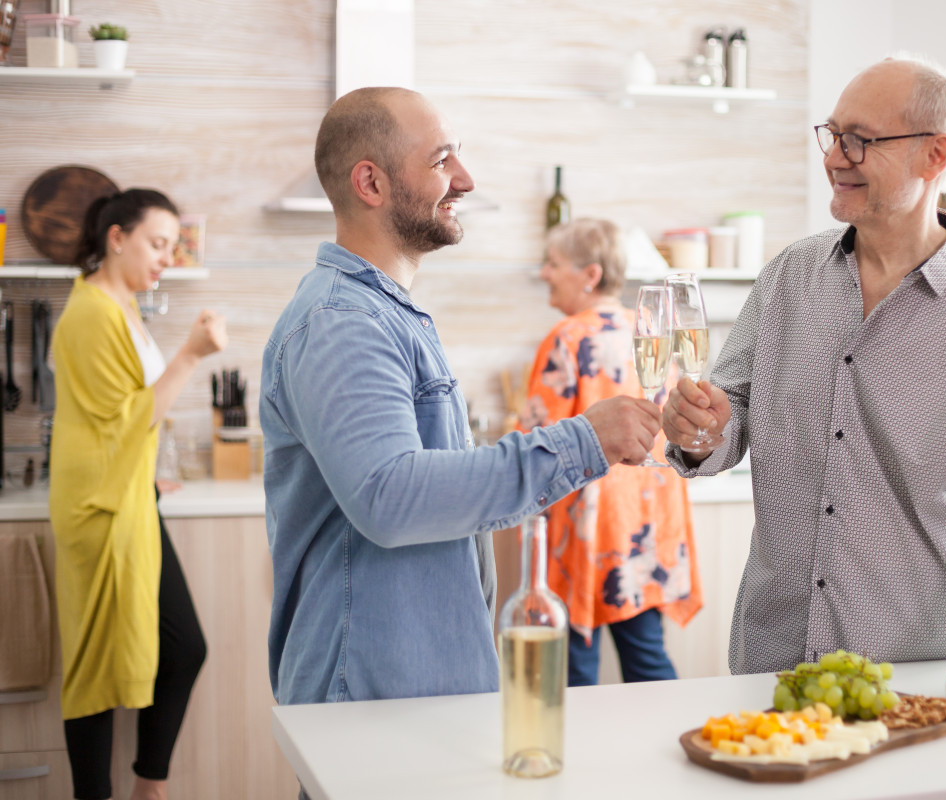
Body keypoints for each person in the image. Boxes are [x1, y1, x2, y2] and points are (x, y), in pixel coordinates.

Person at [662, 56, 946, 724]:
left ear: (935, 156)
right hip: (769, 666)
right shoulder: (791, 276)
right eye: (832, 134)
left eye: (861, 140)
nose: (836, 157)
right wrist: (703, 427)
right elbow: (731, 415)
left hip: (912, 679)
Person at [260, 87, 661, 708]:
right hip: (372, 697)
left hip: (418, 689)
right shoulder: (343, 322)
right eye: (441, 159)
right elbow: (389, 496)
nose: (465, 180)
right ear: (371, 183)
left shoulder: (387, 313)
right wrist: (586, 439)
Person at [50, 189, 227, 800]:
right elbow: (126, 419)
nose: (166, 259)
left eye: (173, 248)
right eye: (156, 244)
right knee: (98, 666)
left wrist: (144, 471)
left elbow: (115, 417)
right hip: (99, 509)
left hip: (127, 494)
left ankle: (147, 784)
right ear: (116, 237)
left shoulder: (122, 307)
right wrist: (190, 355)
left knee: (180, 649)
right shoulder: (91, 313)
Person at [519, 218, 702, 686]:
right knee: (648, 659)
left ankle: (580, 759)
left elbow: (535, 444)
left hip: (589, 529)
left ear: (591, 274)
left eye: (553, 263)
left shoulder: (569, 338)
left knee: (575, 668)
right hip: (647, 522)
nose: (544, 272)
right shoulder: (650, 330)